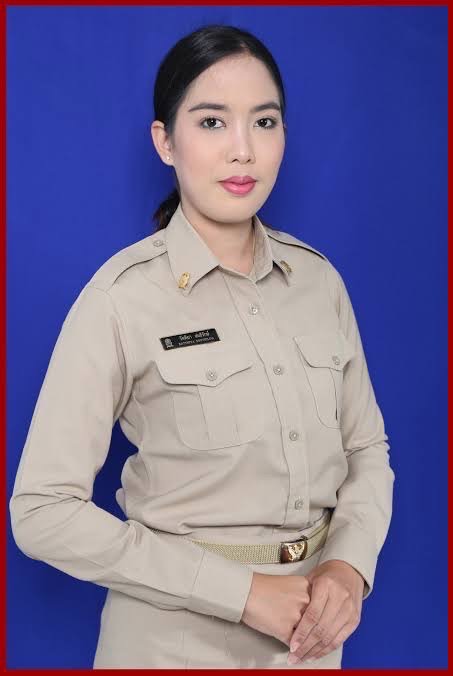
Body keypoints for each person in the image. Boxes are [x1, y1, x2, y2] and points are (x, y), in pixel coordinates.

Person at [9, 23, 395, 670]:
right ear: (165, 141)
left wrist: (348, 567)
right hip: (170, 643)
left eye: (263, 122)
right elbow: (42, 511)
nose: (242, 150)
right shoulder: (121, 299)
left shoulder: (318, 282)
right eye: (212, 122)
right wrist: (241, 594)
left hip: (311, 638)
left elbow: (366, 451)